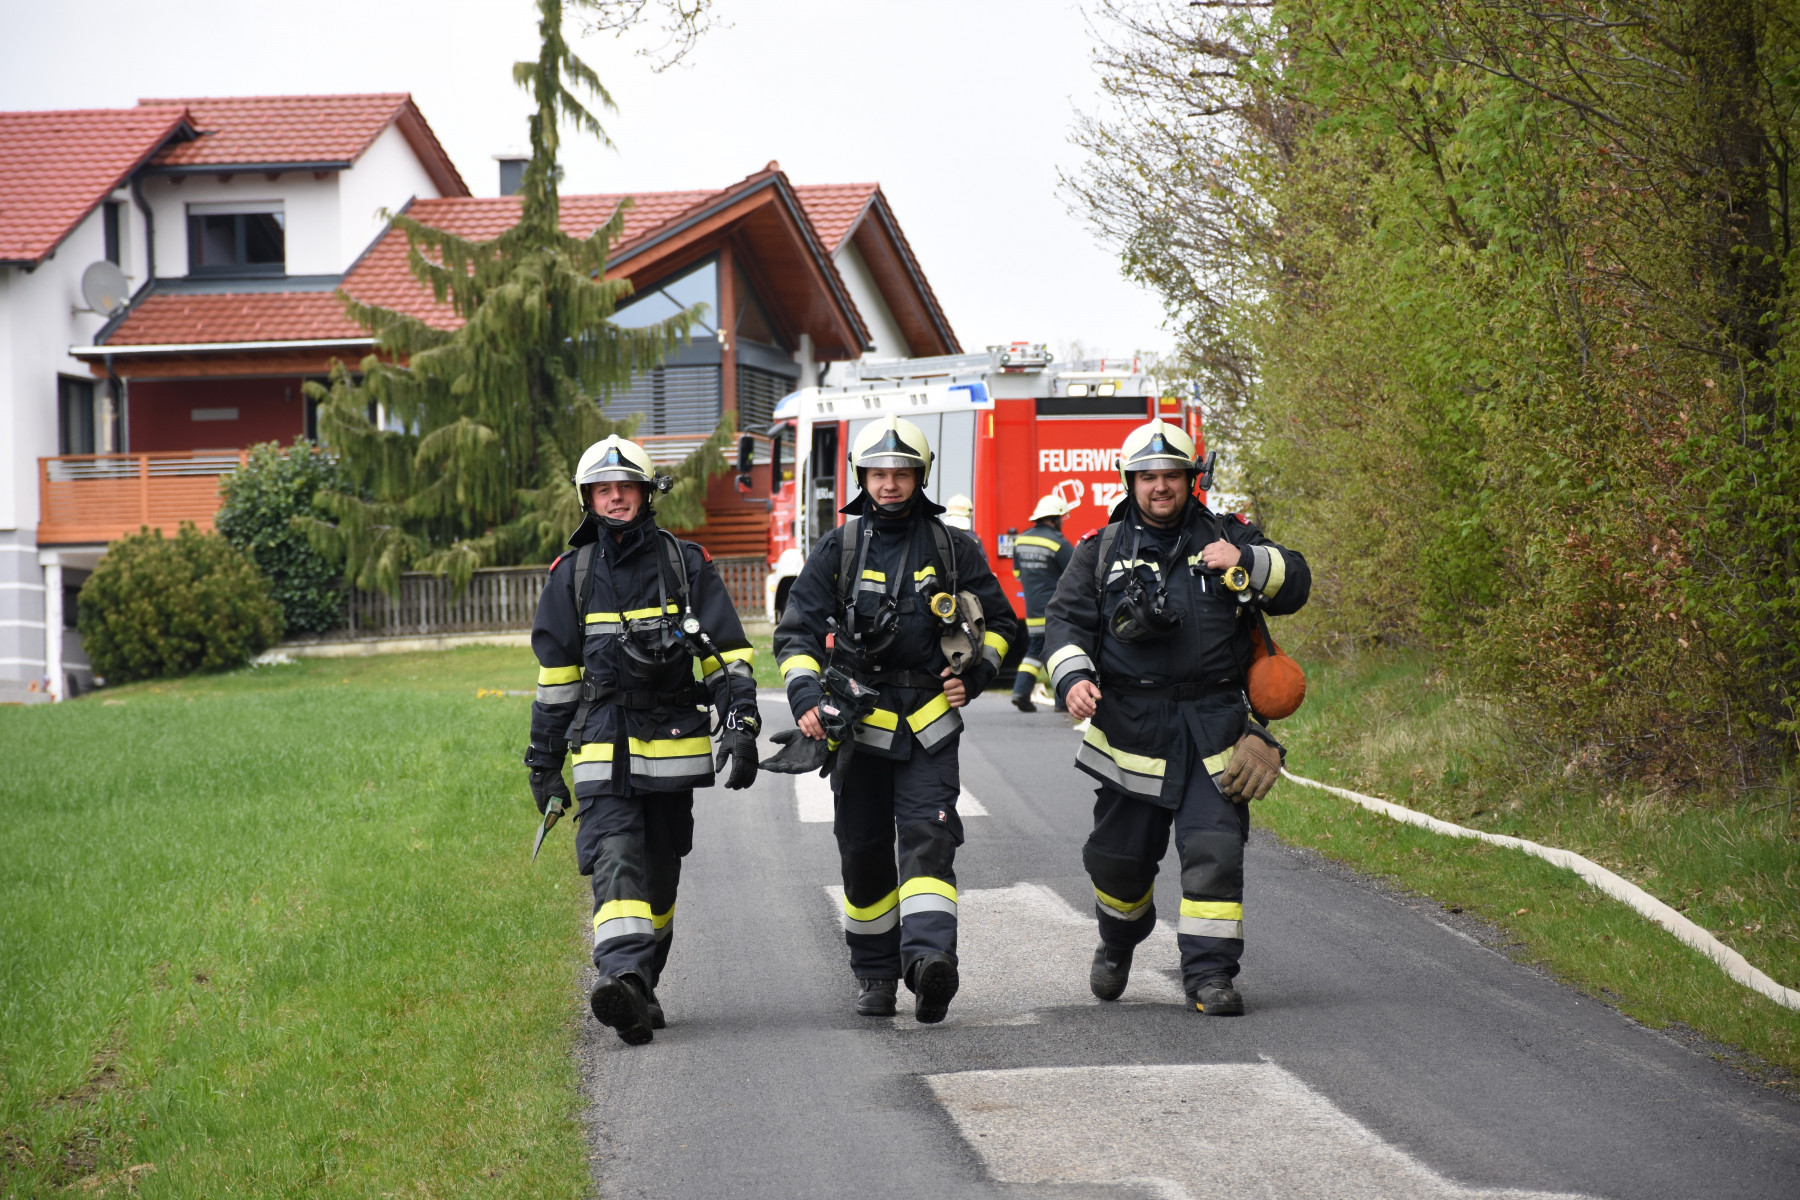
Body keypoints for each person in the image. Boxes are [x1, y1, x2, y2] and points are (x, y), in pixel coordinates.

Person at [1043, 419, 1309, 1016]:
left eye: (1171, 475)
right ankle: (1119, 939)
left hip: (1215, 728)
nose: (1160, 486)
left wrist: (1247, 560)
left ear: (1192, 480)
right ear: (1130, 482)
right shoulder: (1100, 549)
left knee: (1216, 852)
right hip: (1130, 730)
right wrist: (1074, 677)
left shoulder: (1229, 536)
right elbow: (1063, 623)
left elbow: (1296, 582)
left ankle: (1209, 976)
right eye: (1148, 477)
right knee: (1117, 863)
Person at [770, 416, 1017, 1022]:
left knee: (930, 842)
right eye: (878, 473)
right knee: (864, 852)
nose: (889, 484)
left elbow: (1004, 625)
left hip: (929, 727)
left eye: (901, 472)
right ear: (862, 478)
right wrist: (805, 699)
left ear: (919, 476)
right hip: (858, 729)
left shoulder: (953, 548)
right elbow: (797, 632)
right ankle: (876, 973)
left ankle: (930, 964)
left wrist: (975, 675)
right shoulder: (840, 548)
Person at [524, 435, 761, 1046]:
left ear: (645, 493)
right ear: (588, 500)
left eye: (624, 488)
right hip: (603, 744)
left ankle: (641, 987)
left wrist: (741, 723)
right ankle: (621, 977)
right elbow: (556, 681)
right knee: (615, 854)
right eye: (602, 490)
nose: (614, 499)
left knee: (659, 873)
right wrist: (544, 763)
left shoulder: (686, 564)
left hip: (674, 743)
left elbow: (727, 656)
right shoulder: (572, 576)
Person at [1009, 493, 1074, 713]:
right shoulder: (1058, 543)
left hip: (1032, 610)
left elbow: (1017, 574)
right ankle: (1062, 702)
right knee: (1061, 651)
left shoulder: (1020, 540)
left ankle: (1020, 692)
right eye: (1062, 518)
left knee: (1035, 649)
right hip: (1056, 610)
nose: (1063, 522)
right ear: (1054, 518)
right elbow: (1076, 574)